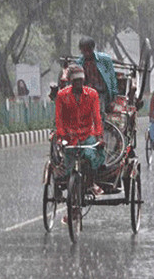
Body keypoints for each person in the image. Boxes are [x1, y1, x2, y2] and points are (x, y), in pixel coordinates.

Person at [55, 64, 106, 223]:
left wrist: (99, 137)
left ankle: (91, 182)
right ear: (71, 81)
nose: (78, 83)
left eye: (81, 80)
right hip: (69, 136)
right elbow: (59, 119)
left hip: (87, 134)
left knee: (92, 157)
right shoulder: (62, 95)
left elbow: (96, 117)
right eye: (75, 81)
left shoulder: (92, 94)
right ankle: (72, 205)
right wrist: (61, 136)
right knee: (67, 170)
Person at [76, 36, 118, 117]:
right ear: (81, 50)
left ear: (93, 48)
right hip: (85, 93)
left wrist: (114, 96)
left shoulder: (105, 60)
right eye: (84, 51)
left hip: (101, 93)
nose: (87, 53)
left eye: (89, 50)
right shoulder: (79, 63)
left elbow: (112, 78)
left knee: (98, 113)